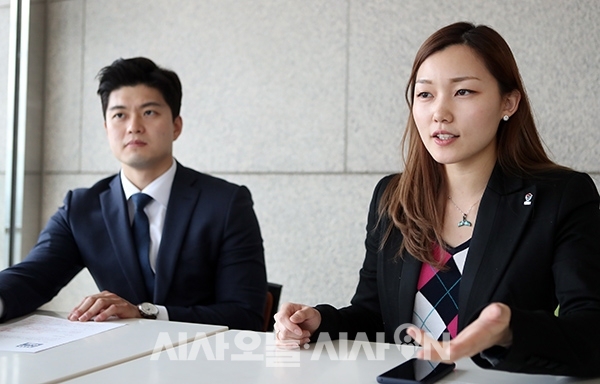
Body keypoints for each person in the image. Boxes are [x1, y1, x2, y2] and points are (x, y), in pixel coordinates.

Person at [274, 22, 600, 376]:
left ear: (509, 101)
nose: (439, 113)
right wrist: (320, 322)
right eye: (425, 94)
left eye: (463, 92)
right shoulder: (393, 197)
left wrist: (508, 332)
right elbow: (377, 316)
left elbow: (591, 334)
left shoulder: (561, 196)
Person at [0, 57, 267, 331]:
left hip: (203, 361)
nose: (133, 126)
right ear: (106, 128)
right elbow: (31, 278)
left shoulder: (225, 203)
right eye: (119, 115)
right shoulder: (81, 207)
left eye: (149, 112)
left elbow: (245, 314)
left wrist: (147, 313)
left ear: (176, 126)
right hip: (116, 365)